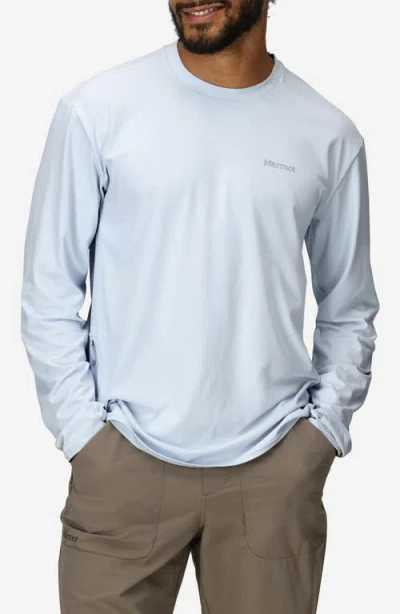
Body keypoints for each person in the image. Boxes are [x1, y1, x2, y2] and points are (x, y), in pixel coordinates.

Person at [20, 1, 380, 612]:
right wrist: (84, 435)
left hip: (272, 471)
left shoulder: (328, 133)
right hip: (122, 464)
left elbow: (348, 307)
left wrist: (321, 434)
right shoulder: (98, 110)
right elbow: (48, 290)